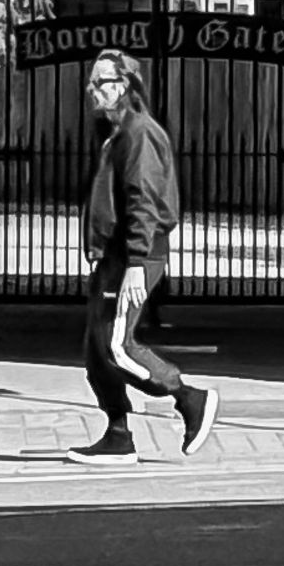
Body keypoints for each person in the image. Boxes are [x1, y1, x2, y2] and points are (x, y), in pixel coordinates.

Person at [72, 49, 219, 464]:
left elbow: (144, 201)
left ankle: (189, 398)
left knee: (117, 347)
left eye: (101, 82)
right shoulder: (117, 134)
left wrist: (137, 262)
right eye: (91, 82)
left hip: (135, 257)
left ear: (124, 86)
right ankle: (118, 435)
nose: (92, 90)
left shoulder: (140, 134)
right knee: (96, 349)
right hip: (114, 257)